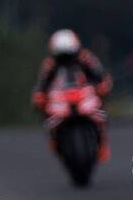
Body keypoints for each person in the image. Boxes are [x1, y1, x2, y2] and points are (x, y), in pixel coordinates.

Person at [31, 29, 113, 161]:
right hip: (60, 99)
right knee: (48, 119)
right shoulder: (50, 64)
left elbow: (100, 75)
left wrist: (103, 85)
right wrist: (39, 96)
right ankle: (54, 139)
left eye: (69, 55)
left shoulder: (86, 58)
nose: (66, 59)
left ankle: (102, 144)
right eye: (61, 56)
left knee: (101, 117)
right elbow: (42, 83)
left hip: (85, 95)